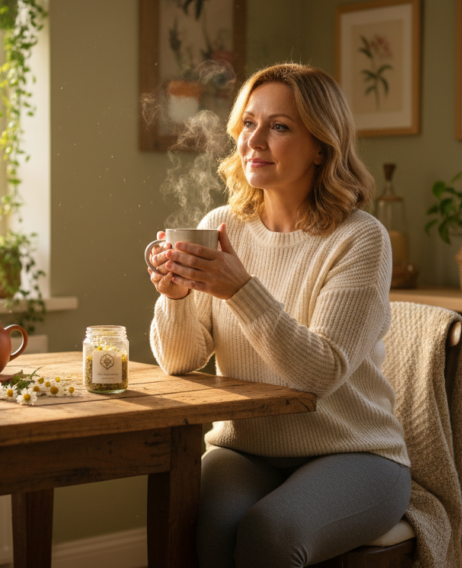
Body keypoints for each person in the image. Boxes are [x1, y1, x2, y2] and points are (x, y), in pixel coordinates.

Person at [146, 63, 412, 568]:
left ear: (321, 146)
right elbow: (179, 362)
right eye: (249, 123)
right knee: (194, 524)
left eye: (280, 126)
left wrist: (241, 290)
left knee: (269, 535)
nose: (254, 140)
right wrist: (175, 296)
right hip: (245, 449)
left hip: (353, 453)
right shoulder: (220, 226)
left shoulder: (360, 239)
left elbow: (318, 375)